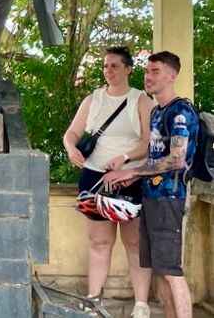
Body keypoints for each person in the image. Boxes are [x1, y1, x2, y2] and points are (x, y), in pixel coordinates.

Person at [106, 51, 197, 318]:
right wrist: (132, 173)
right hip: (152, 197)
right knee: (160, 271)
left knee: (171, 272)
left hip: (171, 197)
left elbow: (177, 159)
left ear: (172, 75)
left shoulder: (180, 111)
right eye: (146, 71)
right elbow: (155, 154)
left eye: (155, 71)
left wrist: (132, 173)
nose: (148, 77)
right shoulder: (158, 111)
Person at [63, 46, 152, 317]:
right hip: (94, 176)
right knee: (99, 243)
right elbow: (72, 133)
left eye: (114, 65)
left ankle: (140, 304)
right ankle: (94, 299)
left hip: (130, 177)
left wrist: (125, 158)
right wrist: (71, 148)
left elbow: (150, 143)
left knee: (135, 243)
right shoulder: (93, 99)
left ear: (128, 69)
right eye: (105, 66)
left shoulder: (141, 100)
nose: (108, 71)